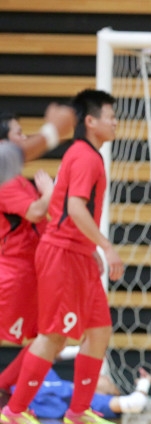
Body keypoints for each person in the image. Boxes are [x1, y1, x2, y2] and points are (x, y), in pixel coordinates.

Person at [0, 89, 124, 424]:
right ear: (90, 121)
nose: (115, 121)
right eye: (109, 115)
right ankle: (15, 408)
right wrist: (106, 247)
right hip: (62, 254)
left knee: (99, 330)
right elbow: (73, 208)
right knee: (54, 334)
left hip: (78, 253)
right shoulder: (84, 156)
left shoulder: (90, 155)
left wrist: (91, 251)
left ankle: (79, 410)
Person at [0, 112, 55, 407]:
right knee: (50, 337)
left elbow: (41, 220)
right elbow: (35, 212)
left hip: (31, 271)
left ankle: (5, 388)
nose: (24, 139)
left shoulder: (20, 180)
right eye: (18, 134)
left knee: (50, 337)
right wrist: (50, 192)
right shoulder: (6, 182)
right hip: (12, 273)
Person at [0, 103, 75, 187]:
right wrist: (54, 131)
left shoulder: (15, 177)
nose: (25, 138)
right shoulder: (8, 183)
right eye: (19, 133)